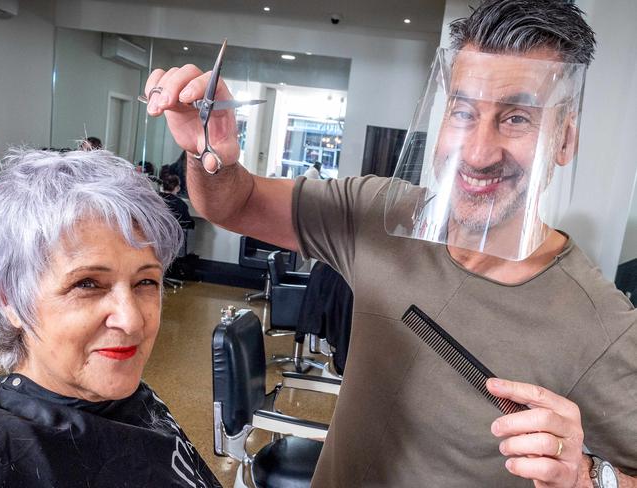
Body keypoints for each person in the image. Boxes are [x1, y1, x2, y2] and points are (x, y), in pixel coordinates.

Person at [143, 1, 637, 486]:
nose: (480, 152)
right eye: (463, 112)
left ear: (566, 138)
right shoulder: (383, 212)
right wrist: (208, 151)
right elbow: (235, 203)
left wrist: (594, 477)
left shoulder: (599, 323)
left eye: (517, 119)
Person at [0, 148, 221, 487]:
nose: (132, 321)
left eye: (145, 281)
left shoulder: (128, 401)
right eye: (87, 284)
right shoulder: (1, 457)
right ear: (8, 299)